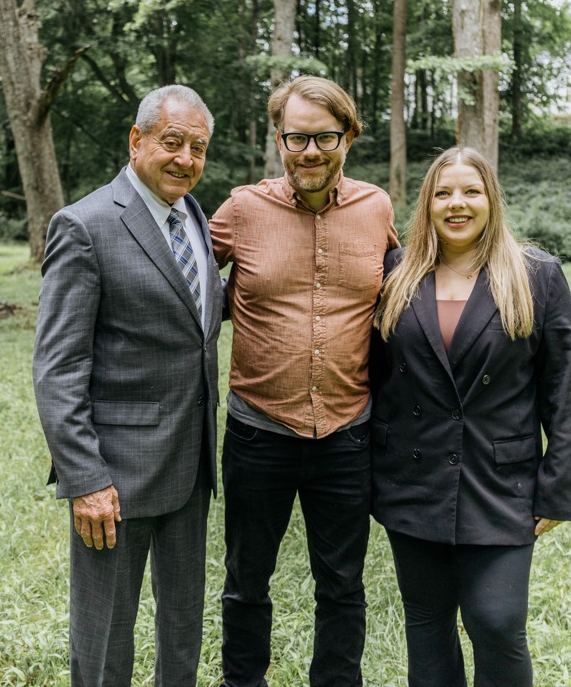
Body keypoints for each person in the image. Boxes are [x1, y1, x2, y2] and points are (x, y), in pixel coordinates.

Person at [32, 84, 224, 687]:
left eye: (198, 148)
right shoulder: (84, 225)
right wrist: (85, 479)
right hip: (115, 477)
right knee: (105, 636)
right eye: (173, 143)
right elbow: (57, 368)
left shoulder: (195, 216)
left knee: (183, 629)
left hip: (191, 468)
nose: (186, 159)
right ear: (137, 140)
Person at [210, 75, 399, 686]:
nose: (311, 152)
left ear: (349, 137)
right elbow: (169, 267)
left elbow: (411, 285)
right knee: (246, 580)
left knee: (343, 585)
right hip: (258, 432)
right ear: (278, 138)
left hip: (347, 435)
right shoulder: (241, 209)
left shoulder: (377, 208)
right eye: (297, 138)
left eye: (325, 138)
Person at [370, 146, 571, 686]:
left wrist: (556, 488)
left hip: (501, 482)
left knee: (497, 621)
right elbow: (375, 378)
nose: (456, 204)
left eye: (470, 191)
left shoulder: (537, 275)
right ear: (427, 203)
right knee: (426, 624)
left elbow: (561, 391)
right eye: (443, 193)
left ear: (491, 198)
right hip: (413, 480)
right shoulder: (396, 272)